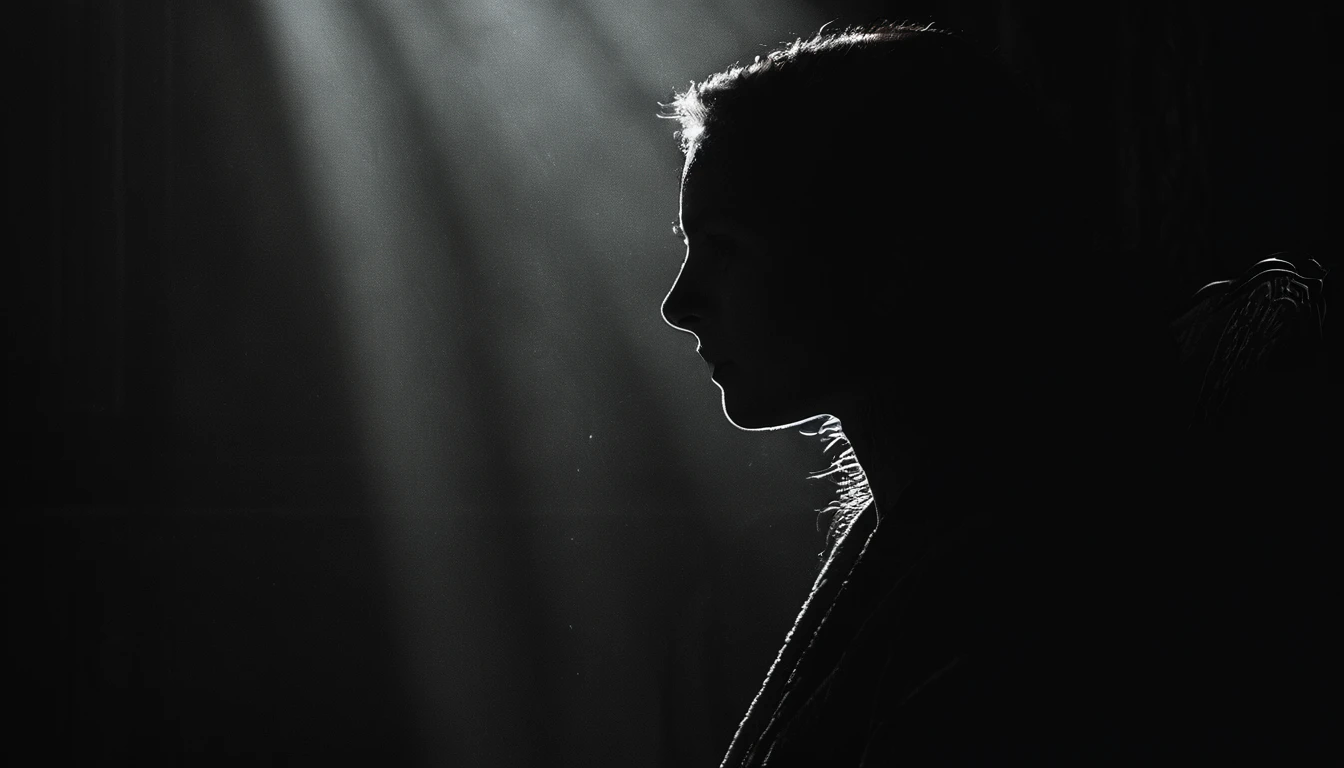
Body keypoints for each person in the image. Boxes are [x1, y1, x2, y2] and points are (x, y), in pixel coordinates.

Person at [658, 22, 1330, 765]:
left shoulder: (1033, 605)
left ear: (889, 262)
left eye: (724, 247)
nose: (679, 303)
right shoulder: (932, 535)